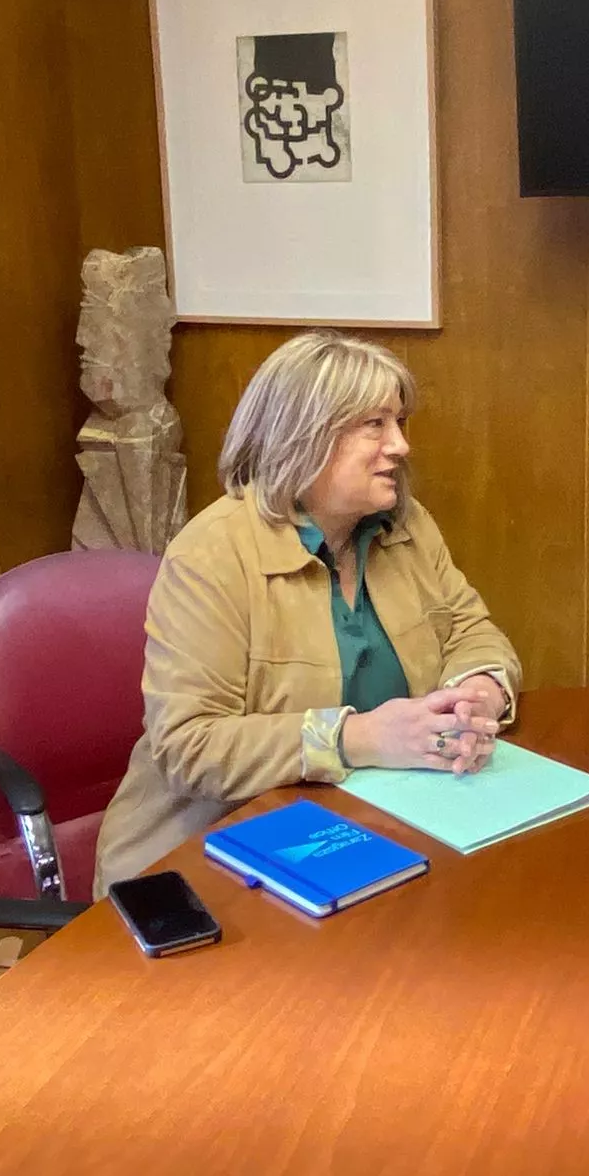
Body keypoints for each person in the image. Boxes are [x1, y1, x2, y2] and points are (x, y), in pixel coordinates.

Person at [93, 331, 521, 897]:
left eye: (399, 423)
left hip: (374, 827)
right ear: (304, 435)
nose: (400, 446)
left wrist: (480, 690)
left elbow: (471, 630)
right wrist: (359, 737)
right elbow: (187, 745)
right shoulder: (211, 555)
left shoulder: (406, 526)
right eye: (374, 424)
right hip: (215, 857)